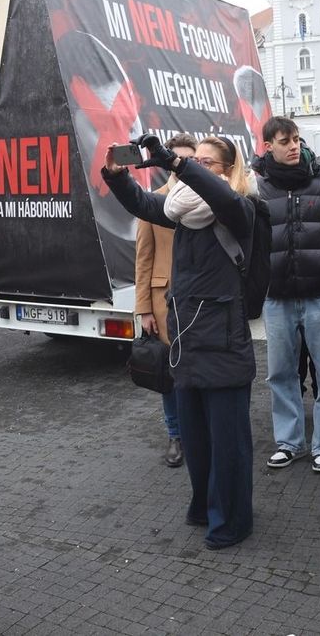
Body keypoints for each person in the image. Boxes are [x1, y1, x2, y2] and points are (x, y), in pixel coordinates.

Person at [104, 133, 258, 551]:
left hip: (224, 343)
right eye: (198, 161)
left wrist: (176, 163)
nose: (199, 168)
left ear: (228, 170)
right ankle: (205, 507)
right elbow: (143, 204)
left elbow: (218, 196)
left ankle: (233, 521)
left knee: (229, 445)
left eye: (209, 163)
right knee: (197, 439)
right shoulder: (182, 211)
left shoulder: (239, 208)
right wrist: (116, 176)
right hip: (186, 341)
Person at [253, 116, 320, 474]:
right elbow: (251, 238)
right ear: (268, 147)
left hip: (319, 294)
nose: (294, 146)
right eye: (285, 141)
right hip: (276, 297)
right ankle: (290, 442)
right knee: (279, 373)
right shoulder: (258, 186)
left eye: (296, 139)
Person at [134, 132, 198, 468]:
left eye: (190, 157)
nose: (182, 163)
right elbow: (143, 257)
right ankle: (175, 435)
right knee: (169, 375)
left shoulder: (207, 197)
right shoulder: (152, 200)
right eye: (178, 157)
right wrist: (143, 308)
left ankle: (198, 432)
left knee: (197, 370)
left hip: (199, 301)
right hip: (164, 299)